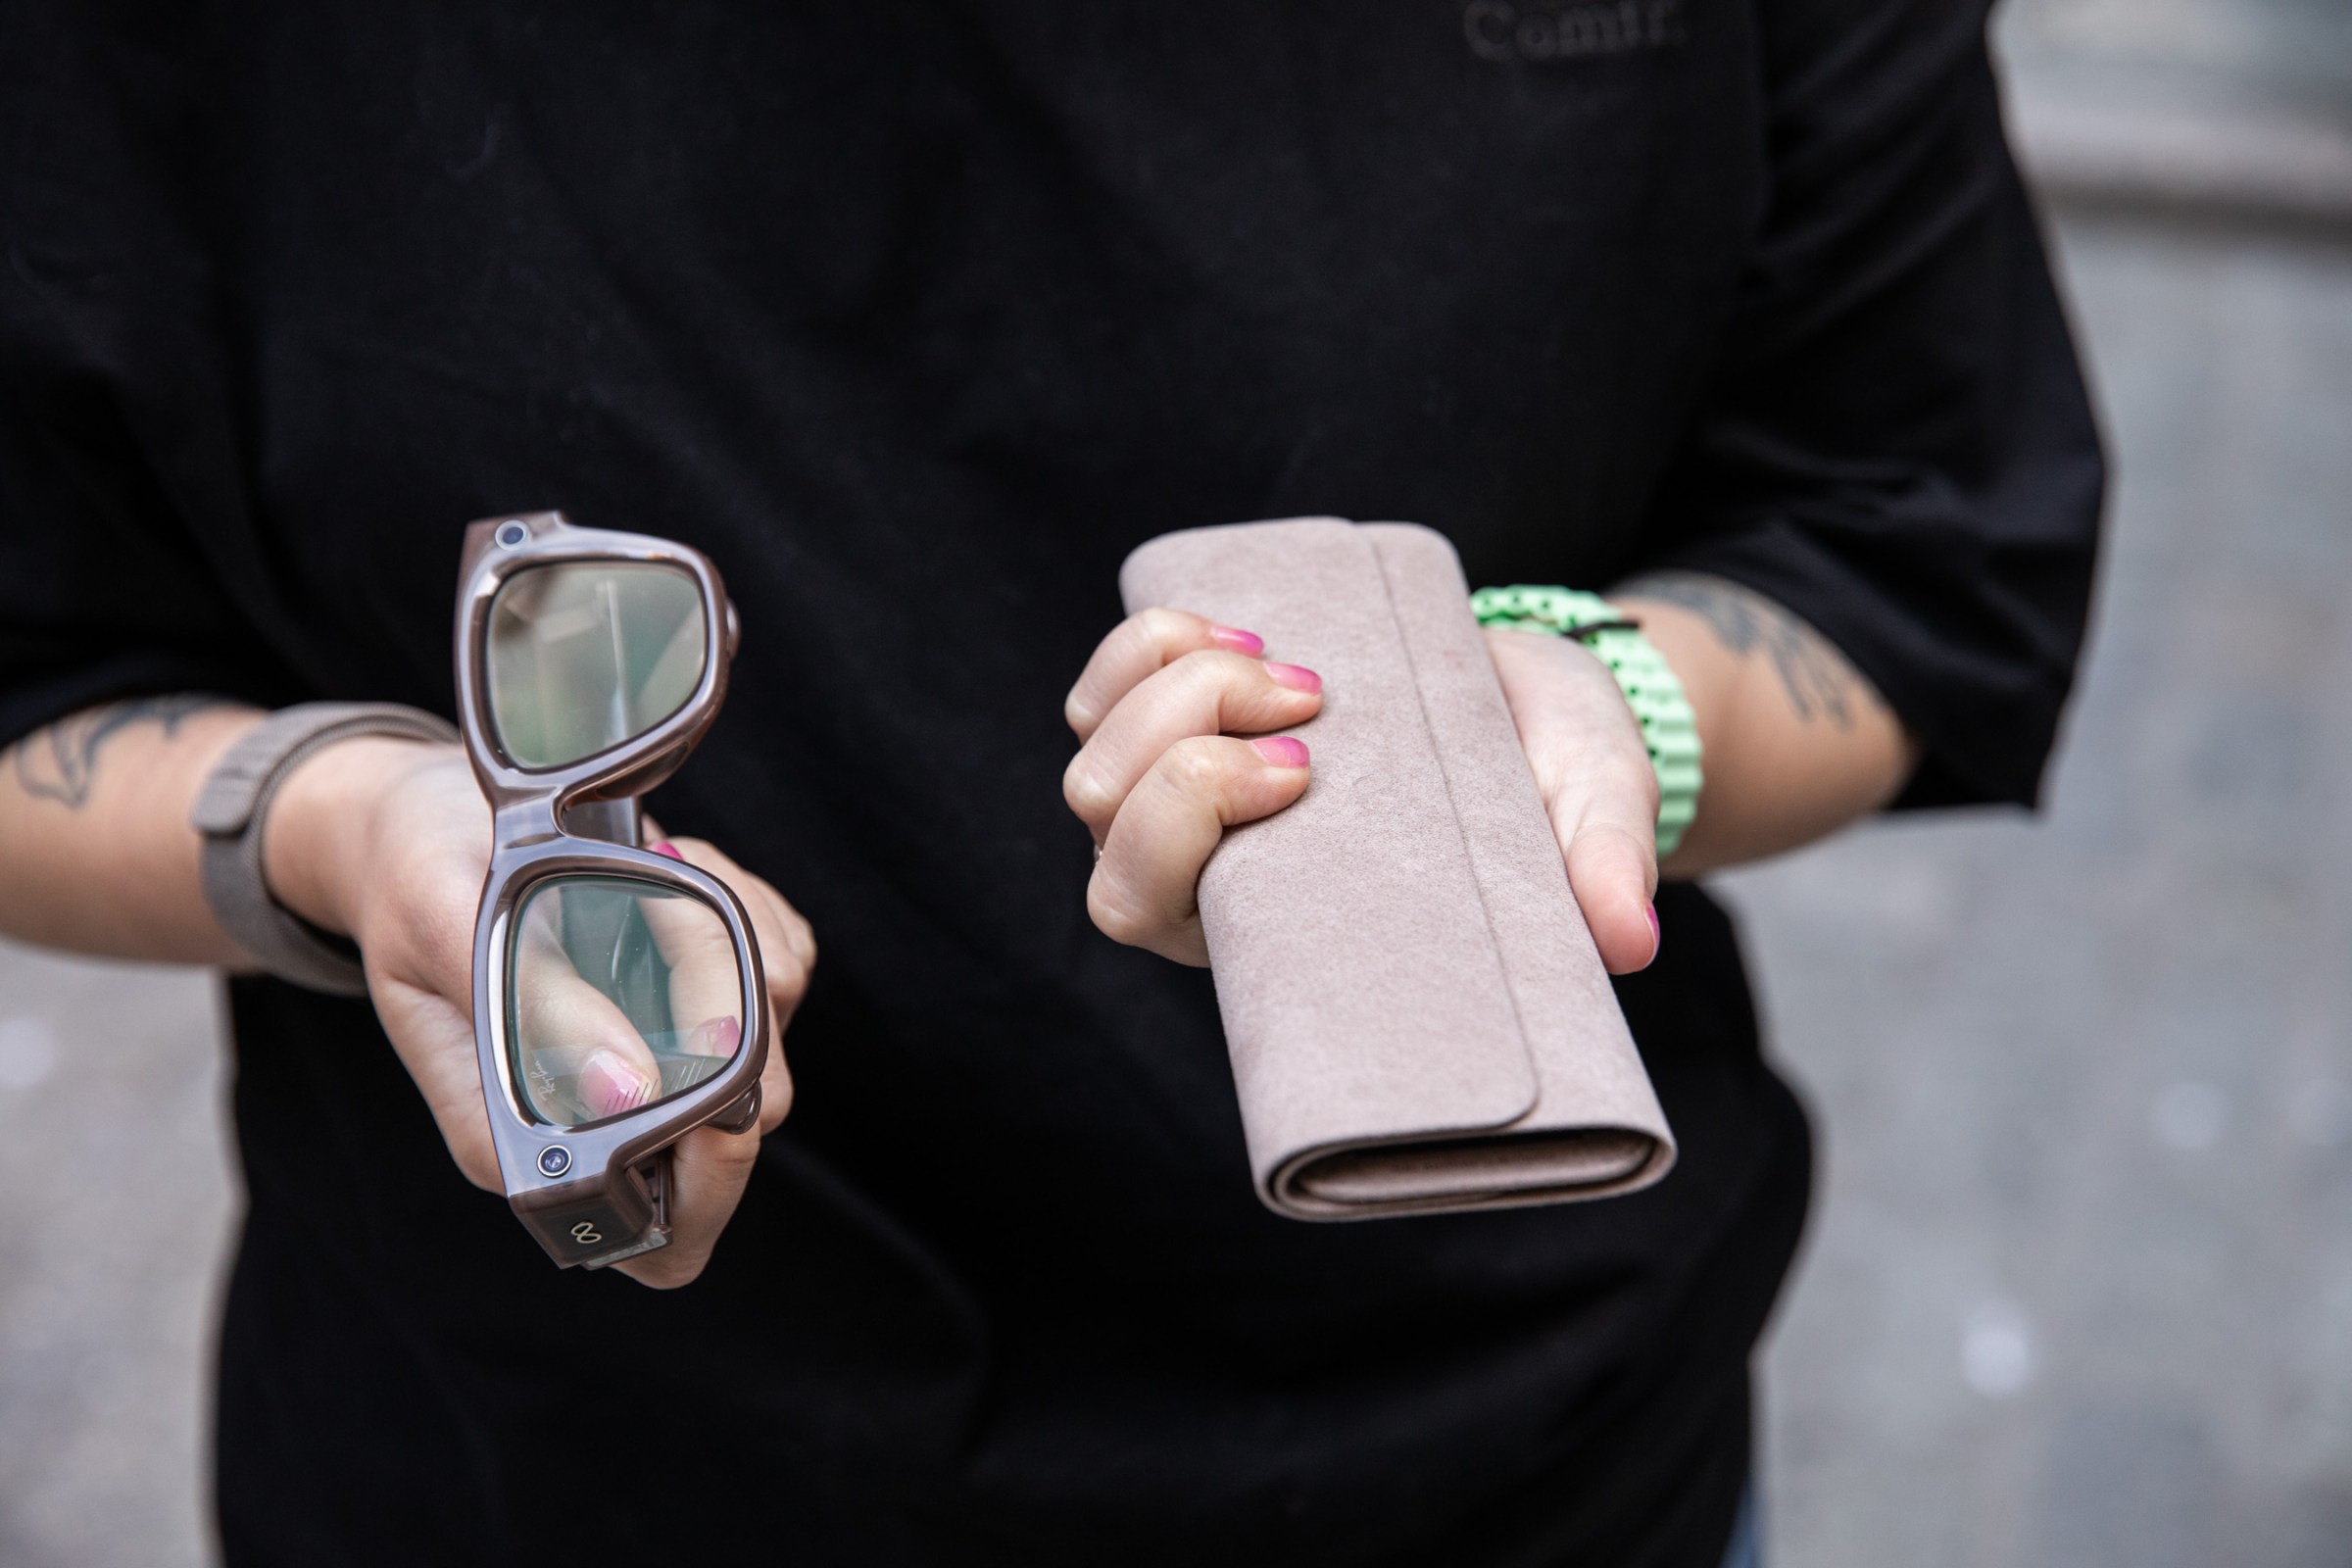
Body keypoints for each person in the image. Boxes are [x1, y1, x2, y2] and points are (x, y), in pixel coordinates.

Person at [0, 2, 2100, 1564]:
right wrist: (342, 823)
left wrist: (1597, 711)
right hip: (536, 1468)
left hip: (1508, 1454)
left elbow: (1910, 539)